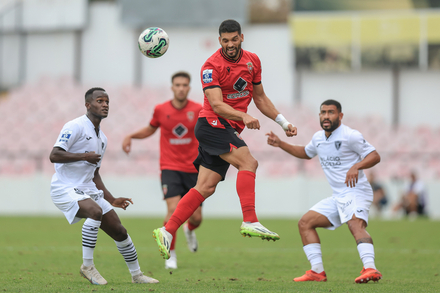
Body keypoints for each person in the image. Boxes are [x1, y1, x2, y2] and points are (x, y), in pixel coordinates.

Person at [152, 19, 297, 260]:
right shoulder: (211, 66)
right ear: (220, 41)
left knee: (205, 187)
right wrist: (243, 115)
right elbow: (217, 105)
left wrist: (283, 122)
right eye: (225, 40)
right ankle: (250, 219)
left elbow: (260, 97)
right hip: (212, 124)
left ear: (241, 37)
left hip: (228, 127)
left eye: (234, 39)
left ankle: (167, 230)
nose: (230, 44)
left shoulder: (253, 61)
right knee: (249, 163)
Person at [49, 87, 159, 285]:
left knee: (119, 231)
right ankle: (87, 266)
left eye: (107, 101)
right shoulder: (75, 126)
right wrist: (84, 155)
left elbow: (95, 174)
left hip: (87, 188)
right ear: (88, 105)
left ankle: (137, 275)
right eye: (100, 101)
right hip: (64, 187)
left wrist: (111, 198)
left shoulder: (102, 138)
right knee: (95, 212)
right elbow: (54, 155)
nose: (105, 105)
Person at [266, 99, 382, 283]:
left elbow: (375, 156)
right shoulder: (319, 138)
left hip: (356, 191)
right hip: (339, 197)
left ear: (340, 116)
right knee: (305, 223)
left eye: (331, 112)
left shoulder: (350, 135)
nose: (326, 116)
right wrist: (280, 143)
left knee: (355, 224)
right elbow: (305, 152)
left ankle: (370, 269)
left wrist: (356, 166)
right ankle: (317, 272)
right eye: (323, 112)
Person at [122, 71, 202, 270]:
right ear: (172, 87)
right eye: (178, 85)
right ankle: (171, 254)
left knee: (196, 217)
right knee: (172, 211)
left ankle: (190, 230)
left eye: (185, 85)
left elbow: (208, 132)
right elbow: (150, 129)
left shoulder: (198, 110)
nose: (181, 88)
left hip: (194, 169)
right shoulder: (161, 109)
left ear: (189, 88)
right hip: (170, 168)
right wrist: (130, 135)